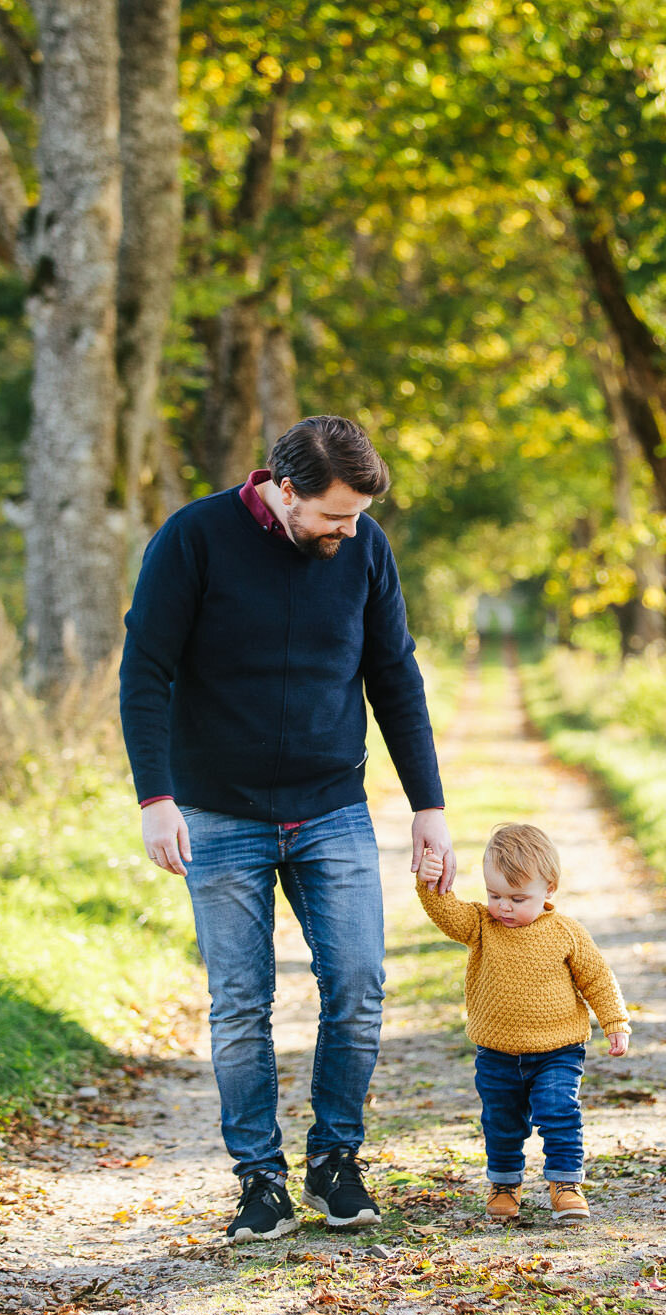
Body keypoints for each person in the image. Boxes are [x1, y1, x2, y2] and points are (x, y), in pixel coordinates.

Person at [119, 415, 455, 1239]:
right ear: (285, 488)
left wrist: (429, 807)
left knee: (360, 985)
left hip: (333, 805)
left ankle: (336, 1159)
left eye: (359, 516)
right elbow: (145, 671)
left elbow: (394, 677)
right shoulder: (194, 538)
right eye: (336, 515)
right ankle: (259, 1177)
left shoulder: (365, 548)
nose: (350, 530)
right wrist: (154, 797)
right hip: (217, 810)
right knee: (241, 1002)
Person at [414, 823, 630, 1223]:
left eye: (517, 897)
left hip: (558, 1049)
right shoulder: (481, 925)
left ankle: (565, 1183)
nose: (504, 907)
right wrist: (429, 883)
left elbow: (597, 977)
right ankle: (504, 1184)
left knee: (559, 1110)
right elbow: (446, 912)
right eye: (495, 895)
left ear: (549, 889)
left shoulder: (566, 932)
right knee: (501, 1120)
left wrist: (614, 1020)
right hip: (496, 1052)